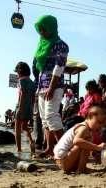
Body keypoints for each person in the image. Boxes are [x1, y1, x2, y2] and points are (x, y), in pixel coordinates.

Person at [34, 15, 69, 157]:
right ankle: (49, 148)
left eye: (44, 29)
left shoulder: (60, 44)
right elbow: (40, 69)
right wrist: (38, 88)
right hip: (42, 85)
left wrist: (52, 87)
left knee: (52, 116)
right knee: (44, 120)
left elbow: (59, 67)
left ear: (51, 28)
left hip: (53, 86)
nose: (41, 32)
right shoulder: (43, 44)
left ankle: (65, 150)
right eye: (40, 29)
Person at [53, 103, 106, 173]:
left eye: (103, 124)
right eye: (99, 122)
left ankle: (79, 168)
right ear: (90, 116)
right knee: (85, 142)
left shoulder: (86, 129)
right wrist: (97, 147)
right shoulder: (83, 128)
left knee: (87, 143)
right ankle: (81, 169)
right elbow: (76, 141)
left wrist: (95, 152)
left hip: (64, 159)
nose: (100, 126)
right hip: (63, 160)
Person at [13, 62, 36, 153]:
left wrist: (20, 108)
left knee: (17, 129)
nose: (17, 74)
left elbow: (22, 93)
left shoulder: (21, 80)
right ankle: (31, 141)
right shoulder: (32, 82)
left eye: (17, 72)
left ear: (20, 71)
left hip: (21, 106)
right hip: (29, 107)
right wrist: (32, 108)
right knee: (25, 127)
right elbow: (33, 97)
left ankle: (19, 149)